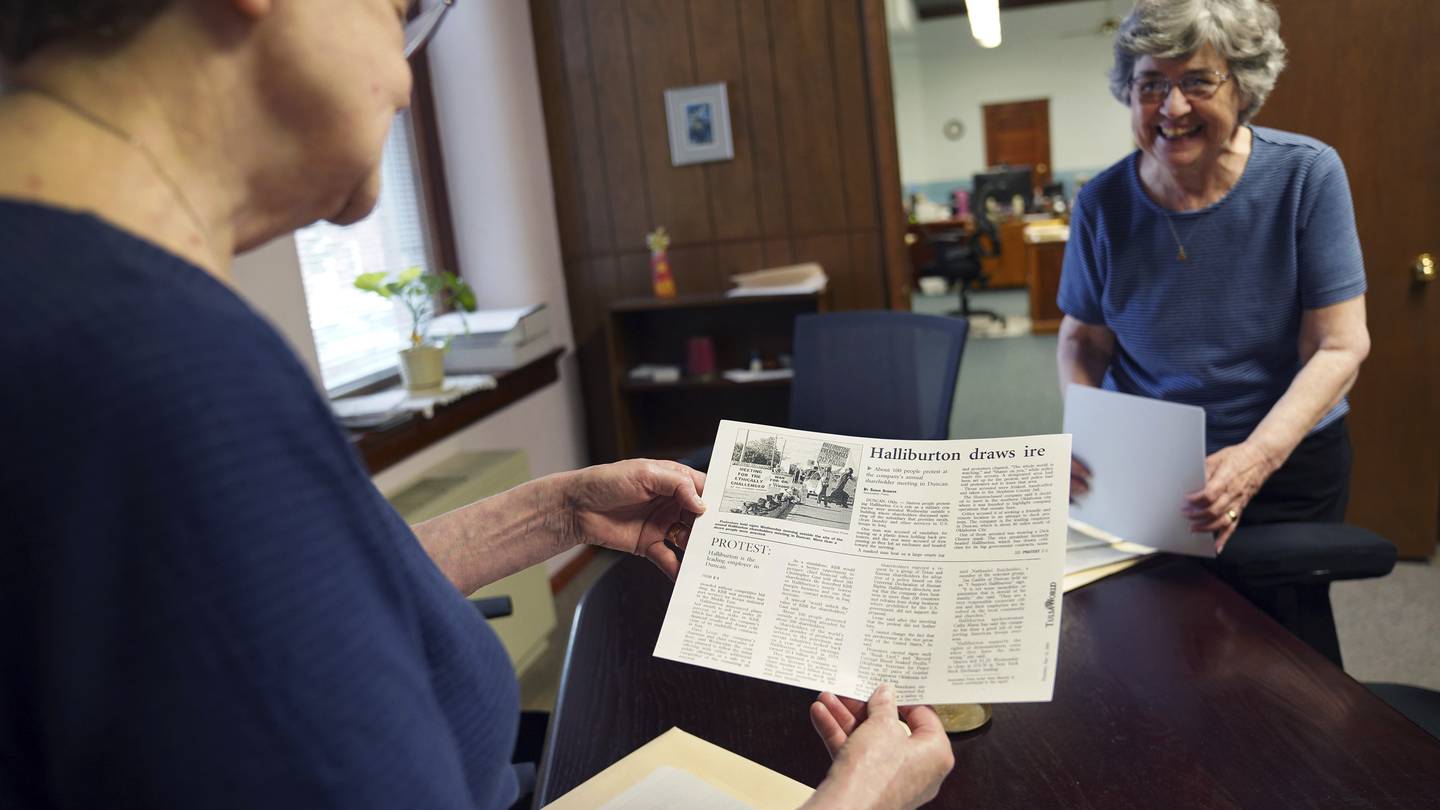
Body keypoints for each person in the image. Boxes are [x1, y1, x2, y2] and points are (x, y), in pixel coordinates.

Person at [0, 1, 953, 808]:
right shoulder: (166, 375)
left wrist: (556, 510)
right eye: (397, 9)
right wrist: (856, 798)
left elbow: (317, 595)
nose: (408, 79)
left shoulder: (66, 313)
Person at [1057, 0, 1370, 554]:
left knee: (1283, 629)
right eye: (1151, 84)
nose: (1172, 107)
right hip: (1147, 467)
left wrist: (1254, 459)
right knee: (1152, 627)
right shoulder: (1100, 204)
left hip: (1283, 462)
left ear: (1243, 87)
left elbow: (1339, 346)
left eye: (1198, 80)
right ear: (1128, 93)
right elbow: (1082, 341)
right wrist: (1085, 435)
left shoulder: (1306, 174)